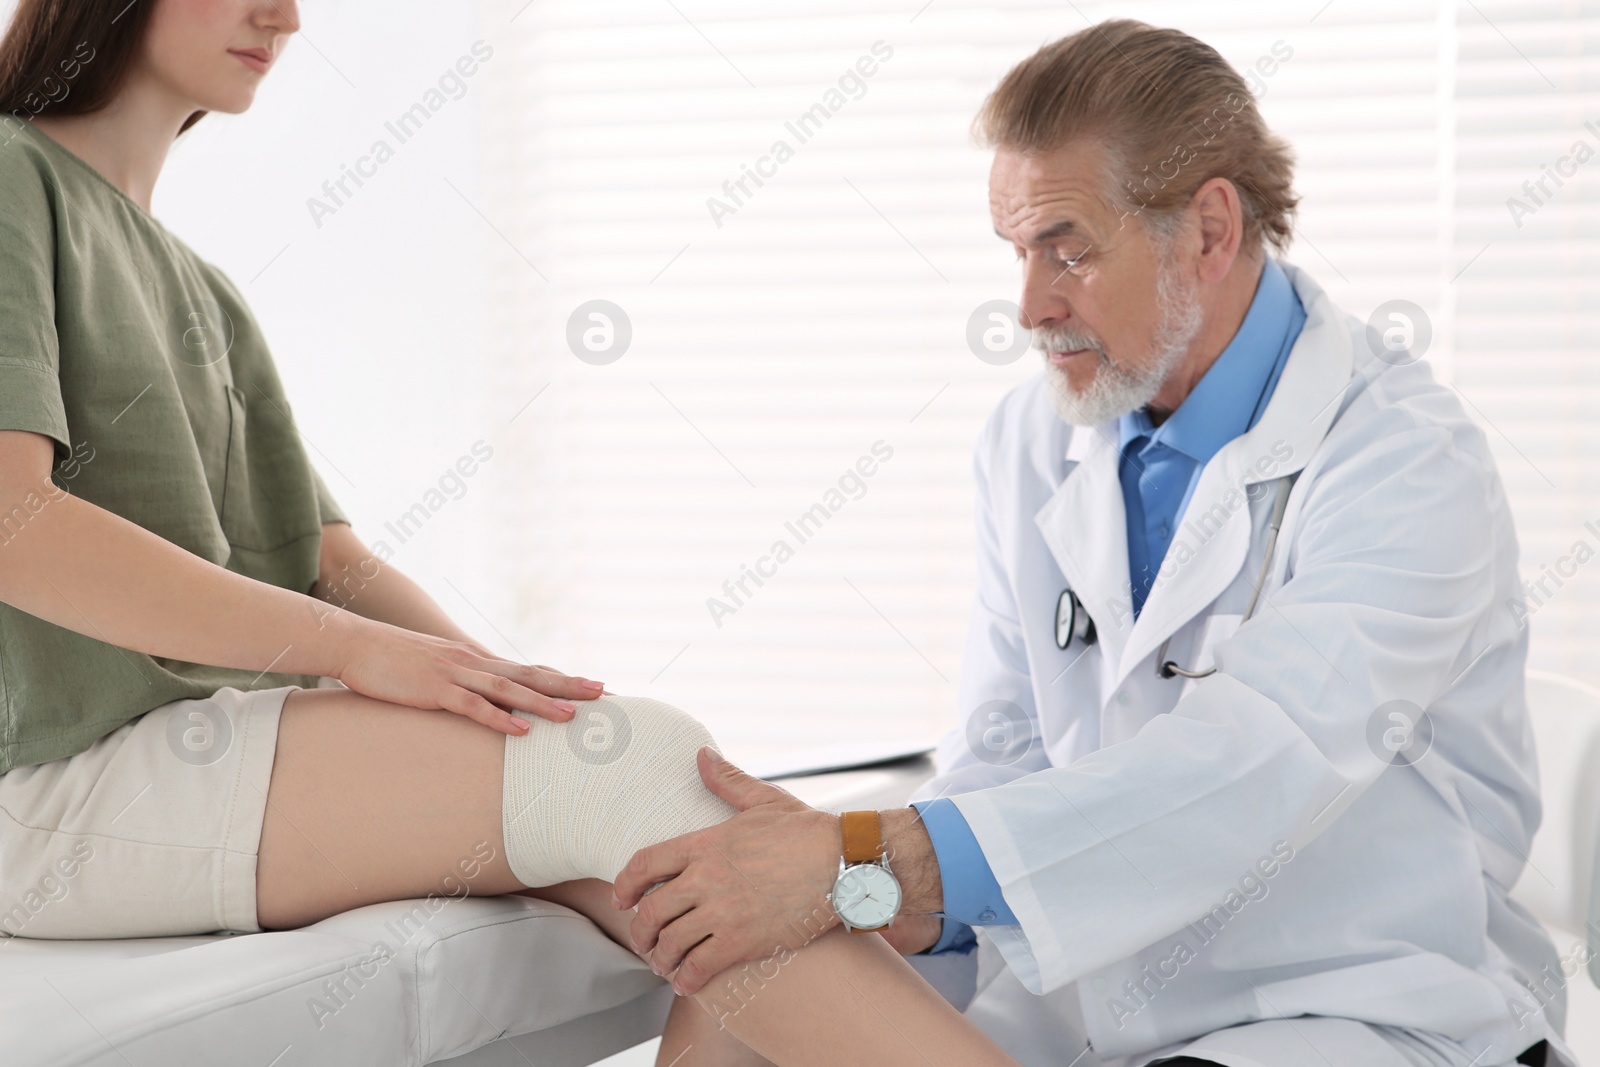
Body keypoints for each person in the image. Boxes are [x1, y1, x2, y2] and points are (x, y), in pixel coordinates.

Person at [606, 20, 1579, 1067]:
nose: (1029, 306)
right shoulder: (1032, 441)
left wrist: (860, 853)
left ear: (1208, 231)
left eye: (1066, 248)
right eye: (1018, 252)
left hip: (1351, 1003)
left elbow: (1251, 767)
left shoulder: (1401, 461)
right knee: (744, 982)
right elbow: (1006, 748)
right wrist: (856, 892)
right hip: (1090, 992)